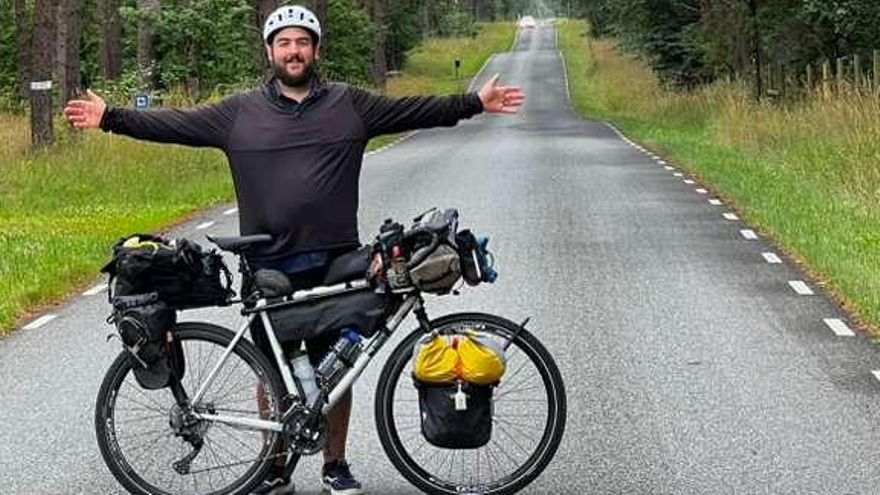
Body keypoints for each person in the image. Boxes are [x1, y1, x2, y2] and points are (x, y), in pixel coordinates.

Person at [64, 4, 524, 494]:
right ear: (270, 52)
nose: (294, 51)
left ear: (315, 49)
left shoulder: (350, 105)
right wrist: (110, 118)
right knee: (272, 373)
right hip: (267, 263)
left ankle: (335, 464)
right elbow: (174, 124)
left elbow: (415, 109)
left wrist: (475, 102)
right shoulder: (237, 113)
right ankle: (275, 468)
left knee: (335, 375)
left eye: (302, 42)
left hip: (335, 260)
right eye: (283, 43)